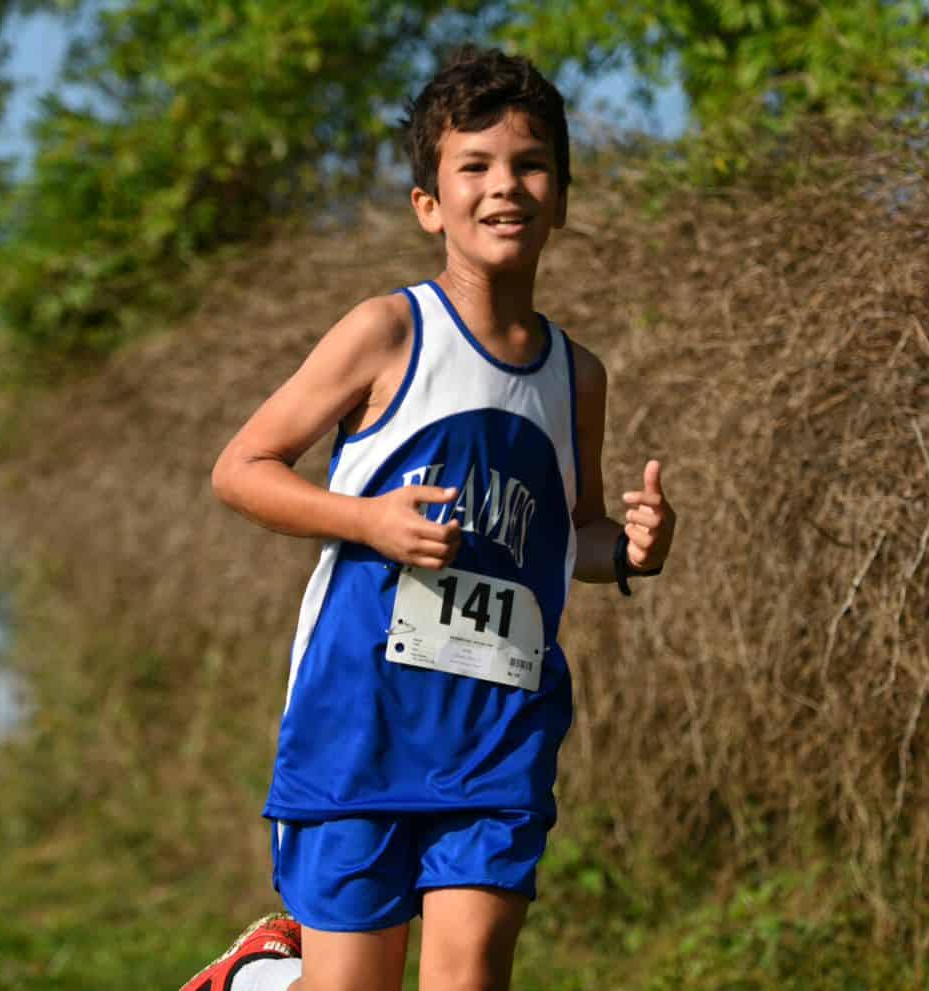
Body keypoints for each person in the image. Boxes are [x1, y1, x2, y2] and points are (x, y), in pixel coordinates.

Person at [191, 45, 677, 991]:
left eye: (531, 165)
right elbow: (239, 469)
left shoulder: (578, 377)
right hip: (359, 718)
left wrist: (629, 550)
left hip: (499, 726)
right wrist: (367, 520)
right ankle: (266, 978)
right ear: (430, 204)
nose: (507, 187)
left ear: (563, 197)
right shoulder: (387, 332)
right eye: (476, 166)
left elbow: (569, 534)